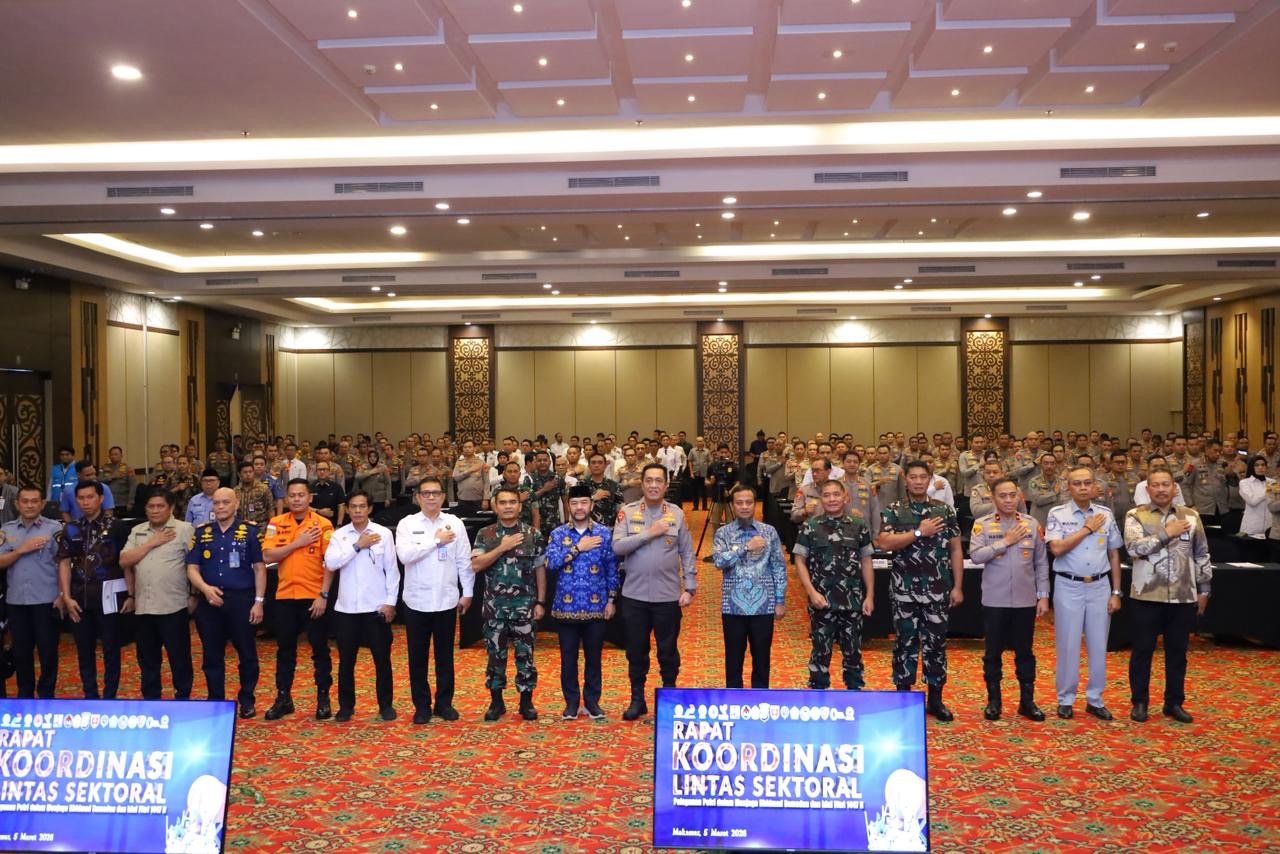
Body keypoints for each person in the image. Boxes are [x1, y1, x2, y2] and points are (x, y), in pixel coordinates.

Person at [876, 460, 964, 721]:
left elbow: (956, 549)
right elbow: (884, 543)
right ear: (905, 479)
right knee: (905, 643)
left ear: (929, 479)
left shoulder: (943, 510)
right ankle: (903, 698)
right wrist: (918, 532)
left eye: (922, 477)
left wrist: (958, 586)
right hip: (904, 591)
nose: (917, 481)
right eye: (912, 477)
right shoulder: (894, 510)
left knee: (936, 644)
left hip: (937, 590)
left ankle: (935, 699)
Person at [1122, 469, 1212, 723]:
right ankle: (1140, 702)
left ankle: (1174, 703)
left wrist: (1205, 588)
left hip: (1182, 596)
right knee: (1142, 652)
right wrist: (1167, 532)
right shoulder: (1135, 515)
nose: (1161, 490)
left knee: (1178, 653)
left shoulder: (1191, 516)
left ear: (1174, 487)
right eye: (1155, 485)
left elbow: (1201, 553)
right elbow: (1134, 548)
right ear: (1147, 489)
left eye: (1165, 485)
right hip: (1146, 596)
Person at [612, 464, 696, 720]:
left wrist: (690, 587)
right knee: (636, 651)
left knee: (667, 651)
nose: (653, 485)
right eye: (649, 480)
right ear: (642, 483)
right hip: (634, 596)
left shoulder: (676, 514)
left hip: (667, 596)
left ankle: (668, 698)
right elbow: (618, 547)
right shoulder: (627, 512)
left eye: (659, 481)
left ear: (666, 485)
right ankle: (637, 699)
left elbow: (687, 552)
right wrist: (648, 534)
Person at [1045, 467, 1124, 721]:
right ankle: (1066, 699)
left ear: (1094, 486)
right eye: (1077, 483)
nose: (1082, 487)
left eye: (1087, 483)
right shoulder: (1058, 513)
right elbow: (1057, 549)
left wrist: (1116, 591)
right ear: (1068, 487)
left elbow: (1114, 554)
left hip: (1100, 586)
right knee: (1068, 644)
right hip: (1068, 585)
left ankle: (1095, 699)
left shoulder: (1105, 514)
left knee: (1099, 645)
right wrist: (1087, 529)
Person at [967, 478, 1050, 722]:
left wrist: (1043, 596)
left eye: (1012, 495)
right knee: (992, 653)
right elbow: (976, 556)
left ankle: (1027, 701)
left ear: (1019, 496)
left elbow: (1041, 563)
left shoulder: (1031, 524)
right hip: (995, 600)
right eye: (1002, 496)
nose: (1008, 500)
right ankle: (994, 701)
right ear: (993, 498)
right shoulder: (982, 525)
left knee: (1025, 652)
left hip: (1025, 601)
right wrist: (1005, 542)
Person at [396, 476, 473, 724]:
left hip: (446, 600)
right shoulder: (407, 524)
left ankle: (444, 703)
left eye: (436, 493)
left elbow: (464, 560)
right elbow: (405, 556)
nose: (431, 497)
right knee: (417, 658)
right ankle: (422, 706)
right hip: (416, 601)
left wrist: (468, 592)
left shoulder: (455, 523)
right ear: (417, 497)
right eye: (426, 493)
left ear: (443, 497)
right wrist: (436, 541)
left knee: (445, 657)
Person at [186, 488, 266, 718]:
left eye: (225, 502)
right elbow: (192, 568)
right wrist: (205, 589)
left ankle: (247, 699)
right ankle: (216, 700)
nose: (220, 506)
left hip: (242, 600)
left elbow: (260, 569)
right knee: (211, 655)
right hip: (209, 601)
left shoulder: (250, 531)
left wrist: (259, 602)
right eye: (217, 502)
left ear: (236, 504)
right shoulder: (202, 532)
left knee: (247, 653)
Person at [322, 491, 400, 722]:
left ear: (370, 509)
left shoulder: (383, 533)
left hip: (376, 607)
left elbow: (392, 571)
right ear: (347, 509)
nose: (357, 510)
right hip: (347, 609)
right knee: (346, 661)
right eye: (353, 506)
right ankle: (346, 707)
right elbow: (331, 563)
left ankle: (386, 705)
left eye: (362, 506)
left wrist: (390, 602)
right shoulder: (339, 535)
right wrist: (357, 545)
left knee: (382, 660)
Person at [470, 486, 547, 721]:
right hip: (495, 609)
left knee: (526, 658)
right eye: (502, 502)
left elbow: (540, 570)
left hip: (525, 608)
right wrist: (502, 547)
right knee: (495, 658)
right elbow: (476, 565)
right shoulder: (485, 534)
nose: (508, 506)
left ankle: (526, 702)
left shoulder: (532, 534)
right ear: (495, 506)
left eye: (512, 502)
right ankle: (497, 703)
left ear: (520, 506)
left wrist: (541, 601)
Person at [545, 482, 619, 719]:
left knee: (594, 658)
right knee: (568, 659)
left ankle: (592, 701)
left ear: (591, 505)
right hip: (566, 607)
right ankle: (571, 703)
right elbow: (551, 563)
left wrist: (611, 599)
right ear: (568, 505)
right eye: (574, 503)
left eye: (584, 502)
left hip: (596, 606)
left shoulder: (604, 533)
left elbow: (612, 568)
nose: (579, 507)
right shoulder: (558, 534)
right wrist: (577, 548)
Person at [262, 479, 335, 721]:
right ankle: (283, 698)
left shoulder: (323, 524)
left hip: (314, 597)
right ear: (286, 498)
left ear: (310, 497)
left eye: (301, 495)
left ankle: (323, 698)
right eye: (292, 495)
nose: (296, 499)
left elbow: (330, 563)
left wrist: (323, 595)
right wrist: (297, 543)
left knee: (320, 650)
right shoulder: (276, 522)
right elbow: (268, 556)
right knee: (285, 651)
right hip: (284, 596)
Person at [792, 479, 874, 691]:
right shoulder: (810, 527)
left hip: (852, 601)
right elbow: (799, 561)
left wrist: (870, 595)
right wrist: (811, 593)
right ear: (821, 499)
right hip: (822, 601)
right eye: (826, 495)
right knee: (820, 652)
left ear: (845, 497)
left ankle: (854, 694)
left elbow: (866, 561)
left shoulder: (858, 525)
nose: (831, 499)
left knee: (853, 653)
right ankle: (818, 694)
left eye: (836, 494)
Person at [119, 488, 196, 700]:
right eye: (151, 506)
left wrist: (194, 594)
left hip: (173, 605)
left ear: (171, 508)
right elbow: (124, 561)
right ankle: (151, 699)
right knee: (147, 659)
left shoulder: (184, 529)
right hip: (144, 606)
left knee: (179, 658)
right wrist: (152, 542)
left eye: (160, 506)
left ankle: (183, 698)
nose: (155, 510)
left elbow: (195, 564)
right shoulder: (137, 531)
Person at [57, 480, 130, 699]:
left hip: (109, 598)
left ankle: (109, 696)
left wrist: (132, 594)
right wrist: (66, 596)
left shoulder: (117, 527)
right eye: (81, 498)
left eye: (90, 497)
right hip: (79, 598)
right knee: (84, 649)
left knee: (111, 649)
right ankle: (90, 694)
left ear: (101, 498)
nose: (85, 502)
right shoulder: (71, 528)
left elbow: (127, 563)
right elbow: (64, 563)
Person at [711, 484, 787, 689]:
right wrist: (746, 547)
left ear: (755, 504)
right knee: (733, 659)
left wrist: (780, 600)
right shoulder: (723, 533)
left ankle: (760, 699)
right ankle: (733, 698)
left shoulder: (769, 532)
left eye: (749, 502)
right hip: (733, 606)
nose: (744, 507)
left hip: (764, 606)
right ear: (733, 505)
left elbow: (778, 567)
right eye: (739, 503)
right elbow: (719, 562)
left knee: (762, 658)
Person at [0, 486, 64, 698]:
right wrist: (20, 550)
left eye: (34, 501)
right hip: (16, 601)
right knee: (21, 653)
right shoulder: (7, 530)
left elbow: (64, 563)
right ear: (17, 504)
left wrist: (62, 595)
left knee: (48, 652)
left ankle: (47, 695)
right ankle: (25, 694)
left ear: (42, 503)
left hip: (47, 600)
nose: (29, 505)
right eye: (25, 501)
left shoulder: (54, 528)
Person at [705, 443, 739, 533]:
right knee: (715, 522)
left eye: (725, 452)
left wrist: (730, 492)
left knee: (731, 522)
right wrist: (711, 482)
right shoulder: (712, 466)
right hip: (716, 497)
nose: (723, 454)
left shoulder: (733, 466)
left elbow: (738, 483)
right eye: (721, 452)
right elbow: (706, 481)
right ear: (717, 453)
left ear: (729, 453)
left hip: (729, 498)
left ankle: (730, 539)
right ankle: (717, 539)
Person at [234, 458, 274, 534]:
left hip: (260, 528)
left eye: (250, 471)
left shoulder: (263, 489)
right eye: (245, 472)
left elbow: (270, 510)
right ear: (239, 474)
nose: (248, 474)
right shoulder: (235, 491)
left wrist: (271, 531)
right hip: (241, 529)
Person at [451, 440, 489, 517]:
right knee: (464, 521)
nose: (467, 449)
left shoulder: (481, 462)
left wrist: (486, 499)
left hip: (478, 500)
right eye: (465, 447)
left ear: (474, 448)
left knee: (478, 521)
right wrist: (469, 471)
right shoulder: (459, 462)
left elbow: (486, 482)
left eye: (469, 447)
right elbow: (455, 478)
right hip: (462, 499)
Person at [1236, 455, 1271, 537]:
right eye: (1257, 465)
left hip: (1270, 527)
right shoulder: (1245, 483)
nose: (1260, 467)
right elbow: (1252, 501)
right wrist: (1268, 490)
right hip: (1251, 527)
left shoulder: (1272, 482)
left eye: (1263, 465)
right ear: (1252, 467)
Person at [687, 436, 712, 511]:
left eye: (701, 441)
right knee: (695, 491)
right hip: (695, 474)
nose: (699, 442)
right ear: (696, 442)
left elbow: (710, 462)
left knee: (704, 492)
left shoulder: (707, 451)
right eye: (698, 441)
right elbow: (690, 461)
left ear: (703, 442)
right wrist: (691, 473)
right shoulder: (692, 451)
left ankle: (705, 507)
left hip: (704, 474)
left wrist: (709, 473)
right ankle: (695, 506)